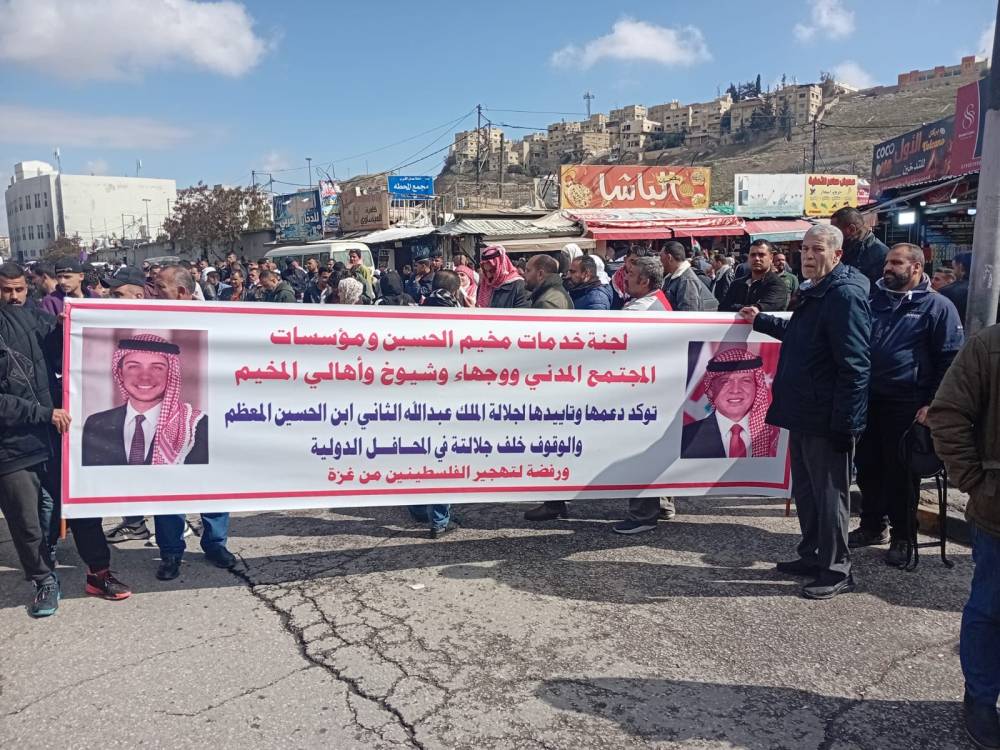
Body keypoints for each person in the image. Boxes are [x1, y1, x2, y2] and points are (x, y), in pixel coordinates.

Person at [741, 224, 871, 599]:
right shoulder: (817, 290)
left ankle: (837, 569)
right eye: (805, 249)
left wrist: (847, 423)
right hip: (802, 410)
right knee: (808, 492)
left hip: (826, 417)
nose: (809, 256)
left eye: (817, 249)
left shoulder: (843, 295)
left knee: (830, 497)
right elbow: (801, 335)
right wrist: (761, 320)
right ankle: (813, 554)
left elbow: (856, 365)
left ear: (837, 254)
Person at [0, 303, 131, 616]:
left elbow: (64, 357)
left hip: (58, 437)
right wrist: (42, 413)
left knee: (83, 509)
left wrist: (64, 330)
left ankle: (99, 573)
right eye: (6, 290)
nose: (15, 297)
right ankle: (44, 581)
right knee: (26, 521)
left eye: (20, 289)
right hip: (11, 446)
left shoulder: (37, 318)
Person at [850, 243, 964, 565]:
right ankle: (873, 526)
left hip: (908, 404)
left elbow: (950, 359)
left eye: (896, 262)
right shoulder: (873, 301)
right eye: (887, 262)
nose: (888, 267)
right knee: (868, 467)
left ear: (916, 267)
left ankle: (904, 536)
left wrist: (933, 403)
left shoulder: (938, 306)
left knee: (900, 474)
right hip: (868, 399)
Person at [927, 321, 1000, 750]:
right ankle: (981, 698)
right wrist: (974, 480)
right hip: (997, 513)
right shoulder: (989, 345)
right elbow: (948, 413)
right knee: (990, 608)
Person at [82, 334, 208, 466]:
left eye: (157, 368)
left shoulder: (196, 427)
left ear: (170, 375)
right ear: (120, 373)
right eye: (134, 366)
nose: (145, 377)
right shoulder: (96, 424)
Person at [681, 348, 779, 459]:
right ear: (711, 390)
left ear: (757, 387)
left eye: (745, 381)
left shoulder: (776, 437)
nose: (735, 390)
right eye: (726, 381)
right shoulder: (687, 438)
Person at [719, 240, 789, 312]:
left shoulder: (777, 285)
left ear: (771, 258)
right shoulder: (736, 284)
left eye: (761, 255)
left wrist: (735, 306)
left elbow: (762, 308)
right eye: (753, 255)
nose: (756, 258)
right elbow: (723, 307)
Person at [831, 206, 890, 287]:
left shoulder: (880, 253)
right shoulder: (846, 245)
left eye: (836, 231)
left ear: (852, 229)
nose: (833, 235)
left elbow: (877, 287)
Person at [660, 241, 718, 311]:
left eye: (661, 256)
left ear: (669, 257)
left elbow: (688, 312)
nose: (660, 260)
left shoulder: (687, 280)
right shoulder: (674, 277)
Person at [940, 252, 971, 321]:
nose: (953, 272)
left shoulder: (947, 292)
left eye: (954, 268)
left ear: (960, 267)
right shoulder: (990, 292)